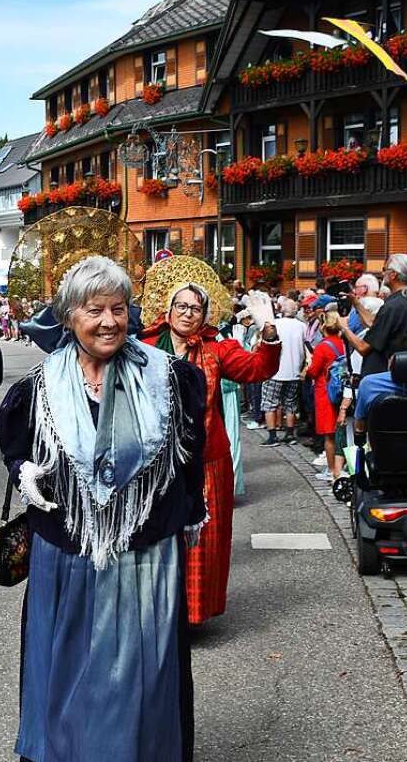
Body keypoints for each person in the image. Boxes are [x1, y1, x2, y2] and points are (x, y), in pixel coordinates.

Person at [0, 256, 206, 761]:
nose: (109, 321)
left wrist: (192, 509)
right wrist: (23, 471)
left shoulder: (171, 378)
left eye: (118, 308)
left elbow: (190, 450)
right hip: (65, 554)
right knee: (65, 664)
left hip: (145, 551)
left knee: (140, 671)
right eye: (94, 310)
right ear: (69, 316)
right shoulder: (39, 388)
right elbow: (17, 448)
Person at [139, 258, 281, 625]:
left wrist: (268, 332)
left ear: (204, 314)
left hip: (206, 462)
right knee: (155, 535)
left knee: (201, 539)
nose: (187, 313)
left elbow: (258, 369)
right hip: (153, 462)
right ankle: (156, 611)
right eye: (181, 306)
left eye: (195, 308)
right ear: (168, 310)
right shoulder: (145, 347)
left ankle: (191, 615)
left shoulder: (217, 349)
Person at [343, 254, 407, 377]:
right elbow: (376, 324)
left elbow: (362, 347)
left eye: (384, 270)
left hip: (385, 376)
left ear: (393, 274)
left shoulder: (392, 306)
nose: (382, 274)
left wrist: (344, 327)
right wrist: (356, 303)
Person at [304, 313, 346, 482]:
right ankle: (342, 467)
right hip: (342, 391)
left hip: (325, 390)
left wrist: (307, 368)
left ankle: (331, 469)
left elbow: (313, 371)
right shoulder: (344, 343)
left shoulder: (322, 346)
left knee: (329, 434)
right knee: (342, 431)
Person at [259, 298, 307, 447]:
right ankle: (290, 434)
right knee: (290, 403)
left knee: (269, 403)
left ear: (281, 309)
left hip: (275, 371)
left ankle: (273, 436)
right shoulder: (302, 326)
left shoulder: (275, 324)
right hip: (294, 370)